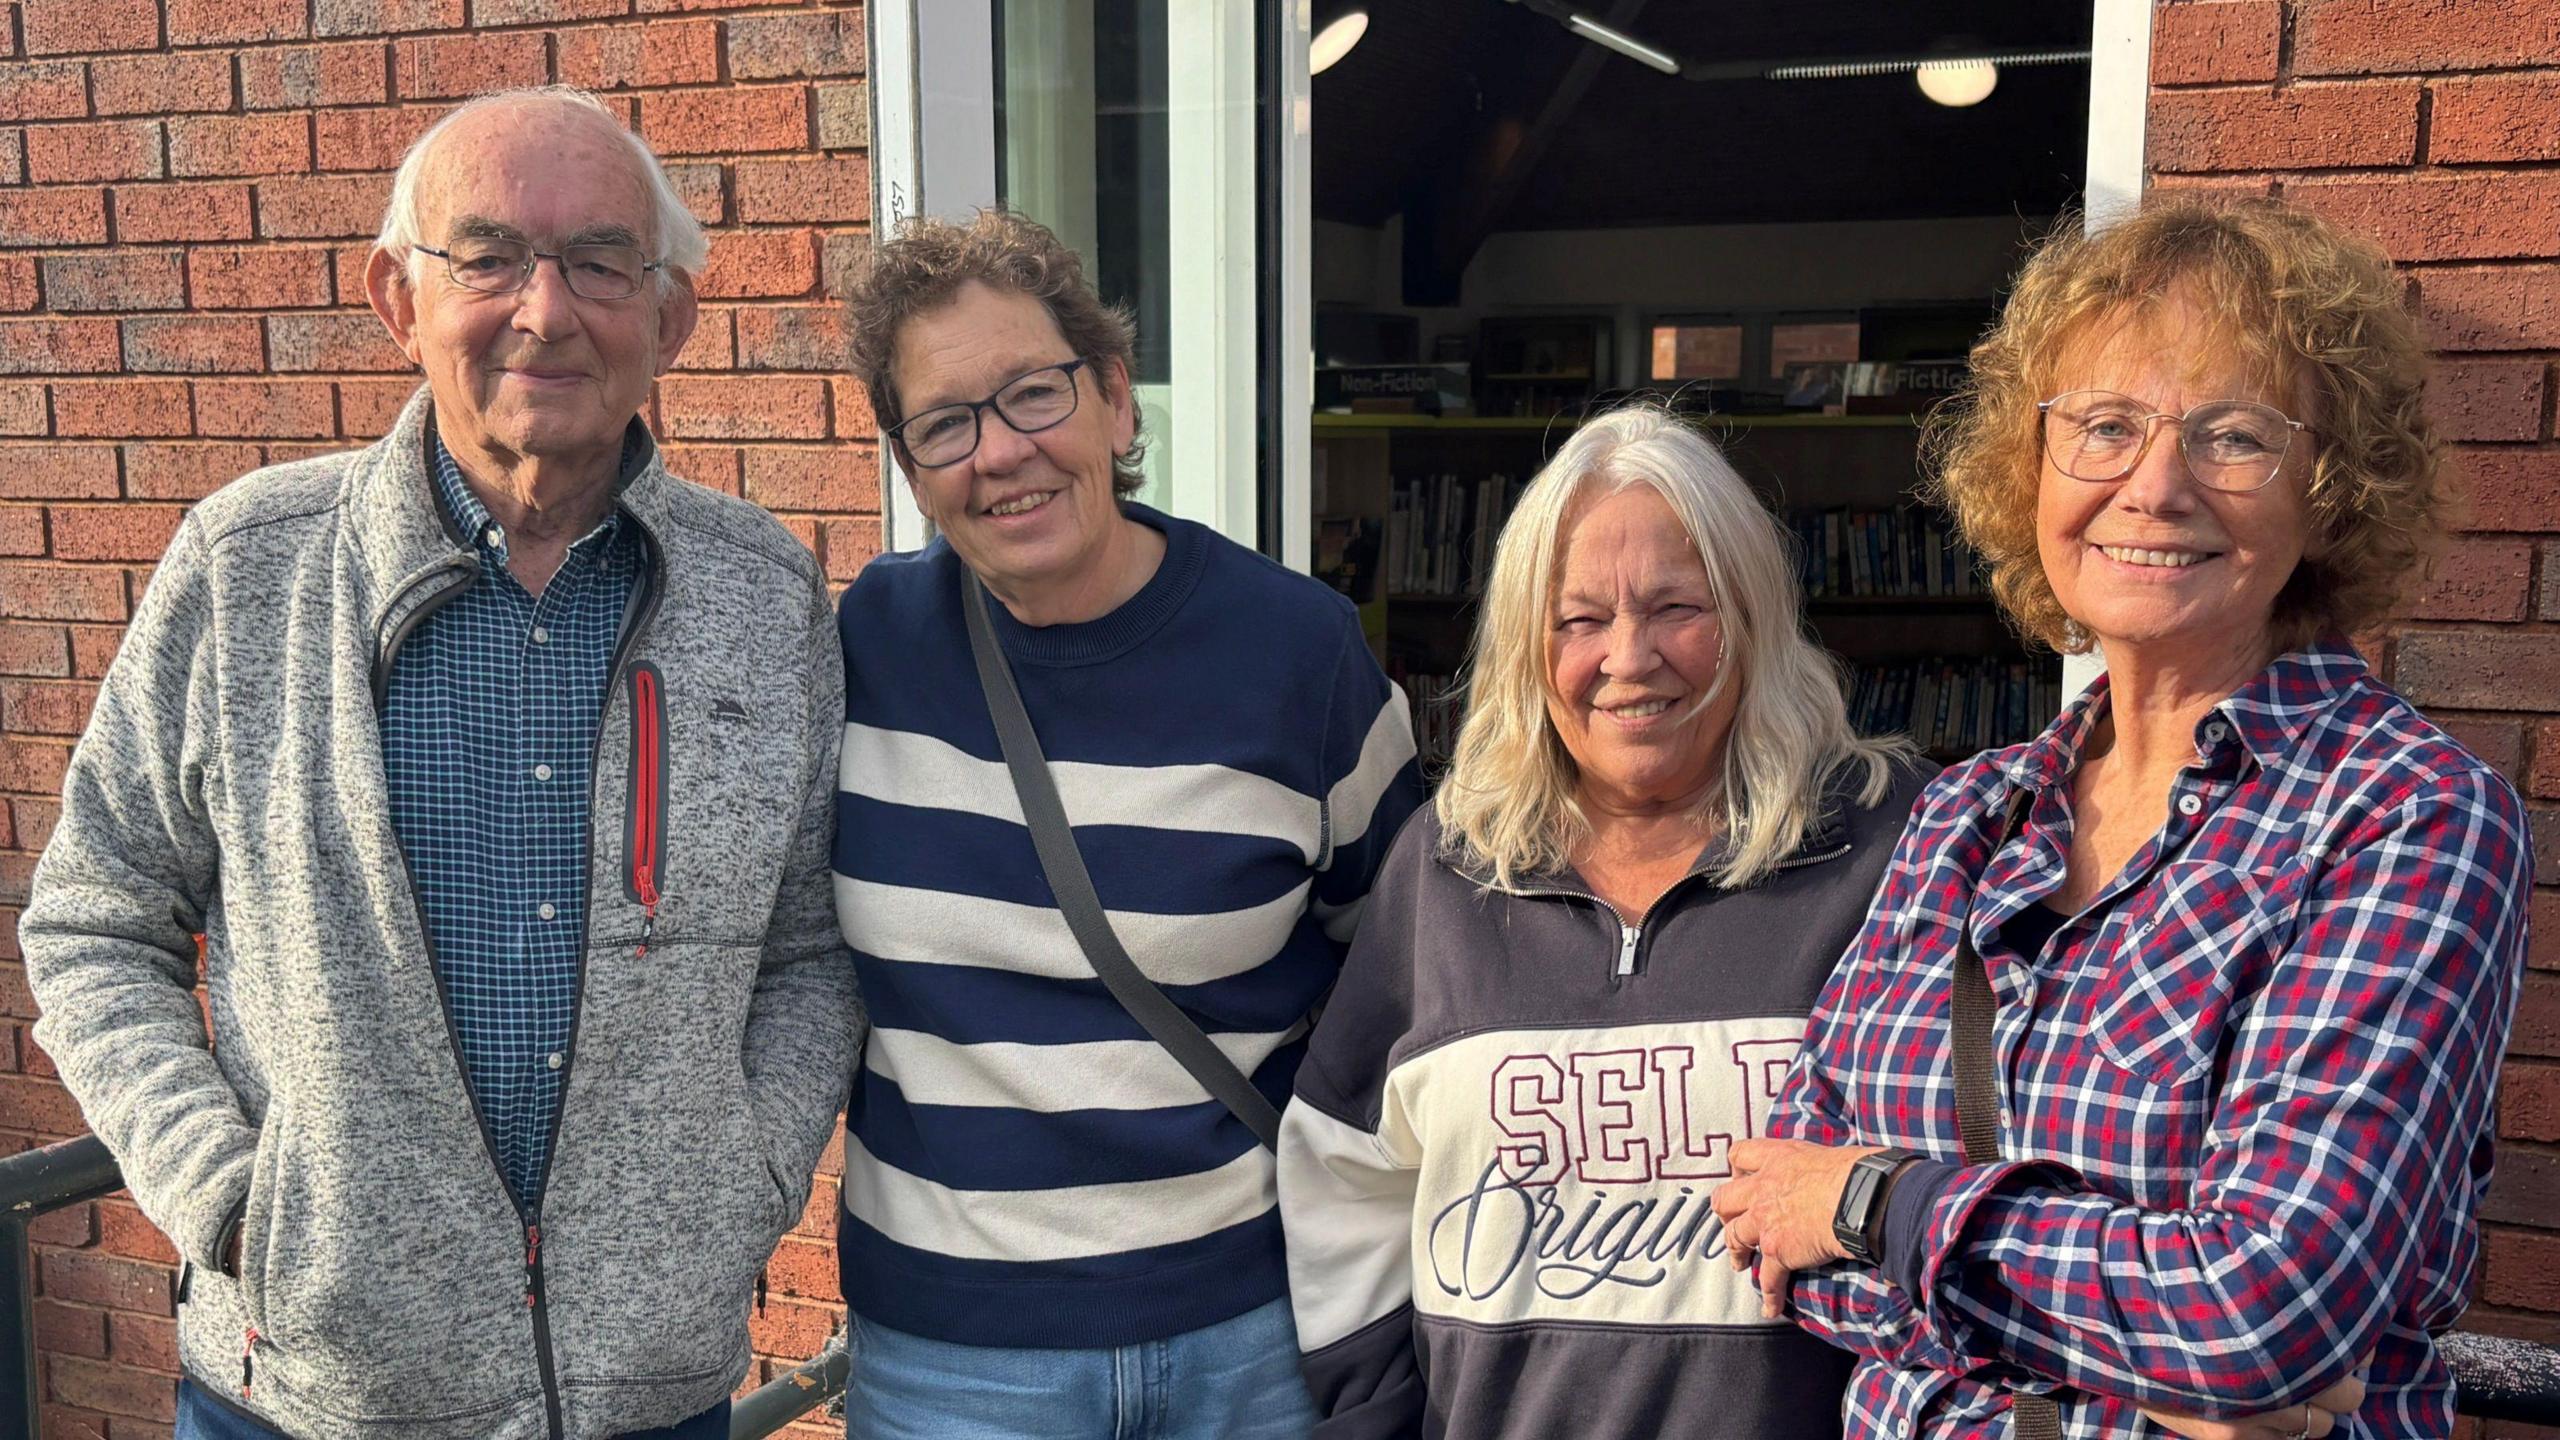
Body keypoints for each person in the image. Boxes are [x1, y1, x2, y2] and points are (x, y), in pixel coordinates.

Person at [20, 86, 861, 1440]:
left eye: (598, 262)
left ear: (670, 318)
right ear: (398, 301)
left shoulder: (763, 594)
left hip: (652, 1394)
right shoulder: (249, 569)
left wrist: (743, 1183)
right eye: (486, 259)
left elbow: (812, 945)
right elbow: (93, 918)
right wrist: (233, 1197)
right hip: (303, 1396)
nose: (544, 310)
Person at [1711, 198, 2532, 1440]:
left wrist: (1878, 1208)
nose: (2153, 486)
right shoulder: (1965, 817)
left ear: (2329, 491)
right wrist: (2157, 1363)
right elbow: (1776, 1230)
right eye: (2103, 427)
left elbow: (2258, 1316)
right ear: (2029, 470)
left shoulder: (2407, 820)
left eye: (2233, 436)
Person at [831, 208, 1426, 1440]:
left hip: (1249, 1330)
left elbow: (1403, 977)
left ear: (1112, 398)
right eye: (945, 422)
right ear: (907, 461)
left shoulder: (1297, 656)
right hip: (954, 1357)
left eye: (1033, 395)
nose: (999, 453)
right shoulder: (855, 655)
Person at [1276, 401, 1935, 1439]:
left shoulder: (1891, 848)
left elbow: (1980, 1162)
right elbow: (1339, 1170)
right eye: (1579, 619)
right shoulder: (1446, 872)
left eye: (1676, 606)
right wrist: (1377, 1417)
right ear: (1527, 647)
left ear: (1750, 614)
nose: (1628, 658)